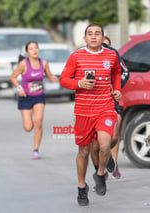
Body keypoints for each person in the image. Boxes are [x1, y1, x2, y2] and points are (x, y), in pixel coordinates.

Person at [60, 23, 122, 206]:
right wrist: (79, 83)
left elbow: (117, 72)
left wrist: (117, 90)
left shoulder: (111, 55)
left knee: (104, 146)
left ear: (103, 38)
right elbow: (64, 79)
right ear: (85, 38)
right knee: (84, 151)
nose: (93, 36)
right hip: (83, 112)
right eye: (90, 34)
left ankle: (100, 174)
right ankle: (81, 187)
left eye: (97, 34)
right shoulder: (76, 56)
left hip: (105, 108)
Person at [10, 41, 58, 159]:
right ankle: (29, 117)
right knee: (28, 127)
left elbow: (50, 75)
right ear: (27, 52)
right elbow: (12, 77)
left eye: (36, 48)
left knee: (38, 122)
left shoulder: (44, 63)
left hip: (38, 96)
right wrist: (19, 88)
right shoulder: (23, 64)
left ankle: (36, 150)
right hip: (25, 97)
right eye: (31, 49)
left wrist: (53, 79)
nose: (34, 50)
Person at [90, 36, 129, 180]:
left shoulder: (113, 55)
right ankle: (102, 168)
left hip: (114, 100)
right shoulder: (87, 56)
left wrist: (116, 87)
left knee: (114, 136)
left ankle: (112, 159)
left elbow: (125, 73)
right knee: (96, 140)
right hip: (95, 102)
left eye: (107, 44)